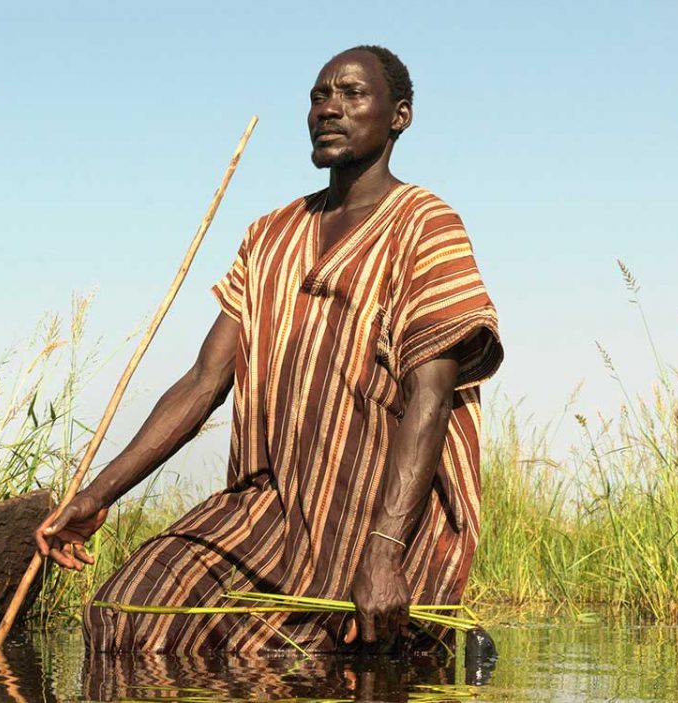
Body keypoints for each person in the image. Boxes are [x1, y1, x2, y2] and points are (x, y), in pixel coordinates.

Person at [35, 45, 504, 653]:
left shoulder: (425, 224)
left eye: (352, 94)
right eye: (318, 96)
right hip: (269, 506)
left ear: (400, 116)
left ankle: (427, 635)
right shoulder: (269, 236)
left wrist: (385, 552)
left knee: (310, 658)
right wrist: (96, 496)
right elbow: (204, 381)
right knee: (124, 617)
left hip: (369, 516)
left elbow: (432, 397)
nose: (329, 109)